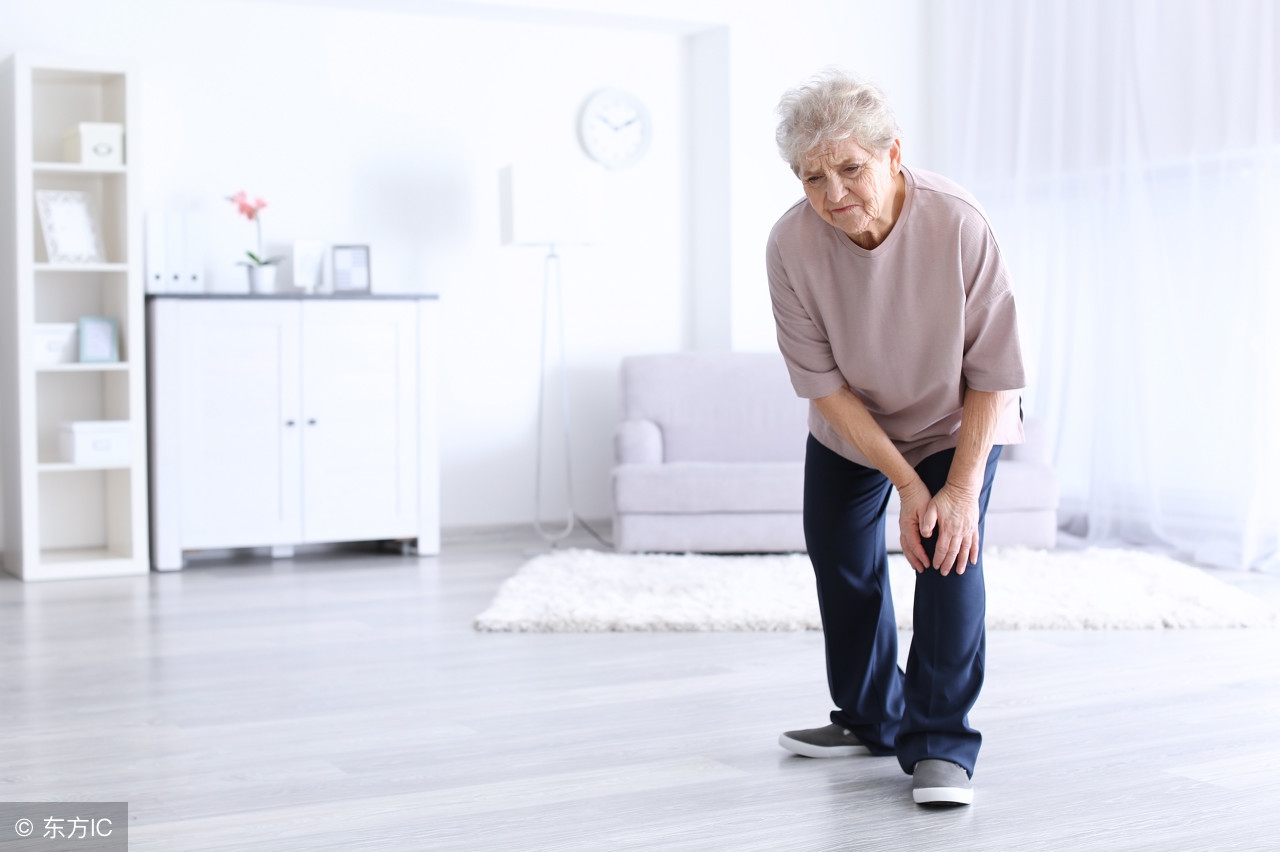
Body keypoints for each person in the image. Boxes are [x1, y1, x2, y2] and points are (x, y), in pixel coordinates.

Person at [767, 69, 1026, 807]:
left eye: (850, 168)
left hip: (955, 416)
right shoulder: (790, 244)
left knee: (950, 554)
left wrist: (957, 489)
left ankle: (941, 742)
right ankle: (870, 717)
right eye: (812, 177)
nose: (833, 193)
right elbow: (823, 385)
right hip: (856, 424)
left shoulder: (958, 223)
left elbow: (997, 370)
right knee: (842, 558)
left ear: (892, 154)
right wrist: (906, 485)